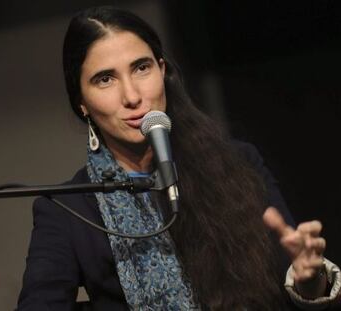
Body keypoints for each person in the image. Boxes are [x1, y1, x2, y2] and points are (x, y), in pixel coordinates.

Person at [17, 6, 340, 310]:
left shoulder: (238, 163)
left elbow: (298, 274)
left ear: (162, 70)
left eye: (141, 68)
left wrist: (310, 284)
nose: (132, 96)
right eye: (105, 79)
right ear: (82, 101)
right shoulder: (66, 210)